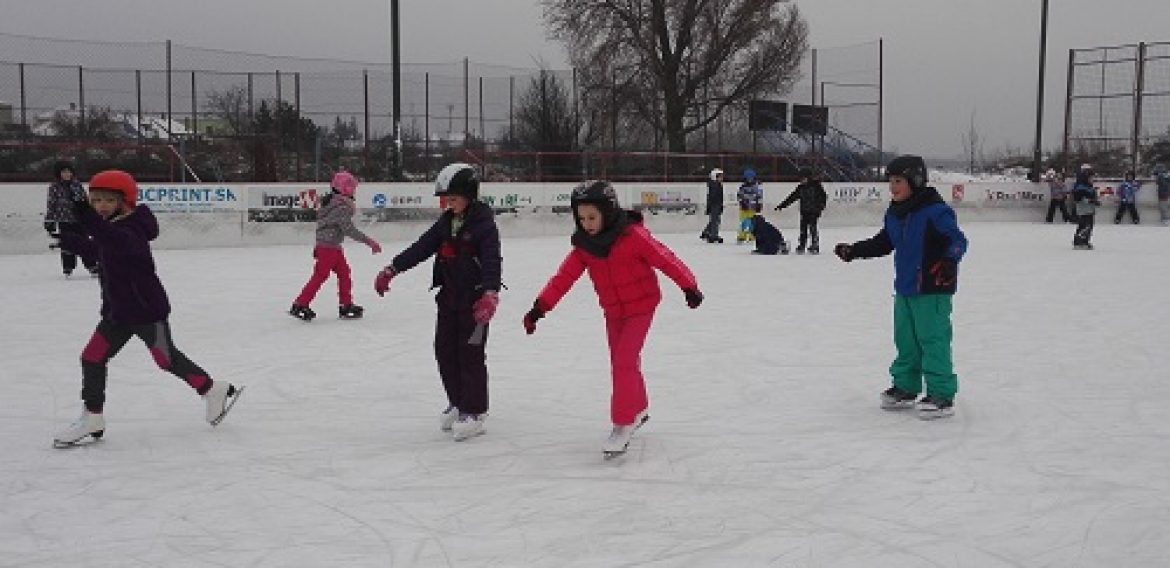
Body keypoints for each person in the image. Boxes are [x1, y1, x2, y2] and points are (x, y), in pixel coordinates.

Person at [51, 170, 243, 448]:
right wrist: (68, 240)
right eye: (95, 201)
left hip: (145, 311)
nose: (100, 206)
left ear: (125, 200)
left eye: (107, 200)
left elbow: (114, 240)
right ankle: (92, 416)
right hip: (116, 313)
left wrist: (86, 217)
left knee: (166, 360)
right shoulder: (112, 226)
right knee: (91, 358)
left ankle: (212, 389)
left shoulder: (133, 229)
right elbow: (100, 251)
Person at [523, 180, 703, 456]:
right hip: (613, 310)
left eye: (592, 217)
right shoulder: (585, 245)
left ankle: (622, 423)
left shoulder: (632, 236)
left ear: (607, 212)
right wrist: (540, 308)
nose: (587, 224)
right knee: (623, 362)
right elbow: (564, 278)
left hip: (642, 305)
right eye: (581, 218)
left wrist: (689, 286)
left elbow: (665, 258)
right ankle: (639, 408)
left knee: (624, 362)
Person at [833, 155, 967, 420]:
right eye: (890, 182)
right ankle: (906, 386)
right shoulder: (896, 212)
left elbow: (957, 239)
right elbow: (884, 242)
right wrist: (854, 251)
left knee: (932, 339)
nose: (893, 187)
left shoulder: (935, 211)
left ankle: (941, 393)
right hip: (905, 288)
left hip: (932, 286)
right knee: (906, 340)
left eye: (898, 181)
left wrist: (949, 260)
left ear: (915, 182)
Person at [373, 163, 501, 442]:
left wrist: (490, 294)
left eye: (452, 198)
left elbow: (492, 260)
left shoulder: (484, 225)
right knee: (444, 350)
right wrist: (392, 269)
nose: (447, 203)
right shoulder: (446, 222)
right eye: (445, 198)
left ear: (469, 195)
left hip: (475, 303)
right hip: (449, 299)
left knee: (471, 355)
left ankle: (475, 411)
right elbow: (422, 247)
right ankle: (458, 401)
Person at [289, 171, 381, 321]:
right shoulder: (341, 207)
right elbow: (348, 229)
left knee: (344, 273)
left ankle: (346, 304)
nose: (354, 191)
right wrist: (369, 241)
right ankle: (300, 304)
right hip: (329, 247)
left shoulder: (331, 202)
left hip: (331, 246)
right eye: (352, 188)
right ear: (346, 188)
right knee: (320, 276)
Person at [43, 160, 99, 277]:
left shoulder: (77, 185)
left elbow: (85, 201)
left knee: (84, 242)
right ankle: (68, 267)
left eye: (69, 172)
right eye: (64, 172)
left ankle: (92, 266)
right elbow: (51, 204)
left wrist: (89, 215)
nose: (67, 174)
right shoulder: (54, 187)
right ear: (59, 174)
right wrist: (50, 220)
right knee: (67, 243)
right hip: (64, 220)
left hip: (79, 220)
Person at [775, 168, 828, 253]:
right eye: (800, 179)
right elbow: (792, 197)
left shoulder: (816, 186)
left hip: (814, 211)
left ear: (809, 177)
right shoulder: (801, 188)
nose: (801, 180)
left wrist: (820, 207)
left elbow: (823, 197)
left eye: (803, 178)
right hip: (804, 211)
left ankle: (815, 245)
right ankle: (802, 245)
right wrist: (782, 205)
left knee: (812, 227)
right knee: (803, 229)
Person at [1071, 163, 1100, 250]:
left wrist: (1095, 201)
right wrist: (1090, 200)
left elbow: (1092, 197)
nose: (1092, 180)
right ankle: (1079, 241)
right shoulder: (1080, 187)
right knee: (1085, 225)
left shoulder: (1090, 187)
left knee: (1089, 225)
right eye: (1091, 178)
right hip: (1083, 210)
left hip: (1090, 209)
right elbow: (1079, 198)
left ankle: (1084, 241)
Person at [735, 168, 763, 244]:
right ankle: (742, 236)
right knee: (743, 222)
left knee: (752, 222)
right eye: (748, 178)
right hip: (744, 208)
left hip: (753, 208)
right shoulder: (742, 187)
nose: (749, 180)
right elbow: (739, 196)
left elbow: (760, 196)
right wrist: (742, 202)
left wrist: (759, 205)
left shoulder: (757, 187)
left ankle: (752, 235)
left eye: (751, 178)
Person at [700, 168, 725, 243]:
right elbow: (713, 196)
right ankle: (713, 235)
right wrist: (712, 206)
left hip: (716, 204)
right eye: (720, 176)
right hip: (714, 205)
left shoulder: (717, 184)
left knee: (715, 219)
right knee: (715, 220)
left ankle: (706, 232)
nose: (721, 178)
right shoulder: (714, 185)